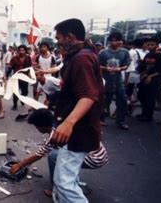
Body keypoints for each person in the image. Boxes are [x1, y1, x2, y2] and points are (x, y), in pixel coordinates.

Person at [50, 18, 104, 203]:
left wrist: (68, 123)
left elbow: (88, 96)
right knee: (65, 180)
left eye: (59, 38)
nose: (57, 42)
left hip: (78, 130)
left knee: (64, 183)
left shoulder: (82, 59)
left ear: (70, 37)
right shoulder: (81, 56)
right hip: (79, 128)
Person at [10, 108, 108, 197]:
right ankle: (70, 178)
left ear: (42, 126)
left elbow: (39, 155)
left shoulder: (55, 135)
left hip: (94, 159)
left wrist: (20, 165)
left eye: (36, 126)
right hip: (100, 153)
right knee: (59, 152)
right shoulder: (62, 122)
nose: (36, 129)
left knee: (53, 156)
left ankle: (56, 189)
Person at [98, 32, 131, 129]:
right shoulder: (103, 53)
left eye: (116, 40)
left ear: (121, 41)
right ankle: (101, 119)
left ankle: (120, 121)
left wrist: (120, 69)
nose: (114, 42)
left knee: (122, 101)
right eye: (112, 40)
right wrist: (105, 68)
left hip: (118, 81)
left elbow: (126, 65)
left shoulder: (125, 52)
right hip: (106, 80)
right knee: (105, 101)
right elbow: (97, 65)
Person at [137, 37, 161, 122]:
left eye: (152, 44)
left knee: (149, 98)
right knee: (141, 96)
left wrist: (150, 77)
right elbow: (146, 66)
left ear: (156, 45)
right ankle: (143, 113)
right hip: (144, 78)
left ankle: (148, 116)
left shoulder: (160, 56)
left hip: (154, 80)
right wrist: (143, 71)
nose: (150, 46)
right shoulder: (148, 55)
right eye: (148, 44)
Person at [10, 45, 32, 118]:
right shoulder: (14, 58)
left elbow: (30, 67)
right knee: (15, 91)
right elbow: (11, 67)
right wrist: (7, 76)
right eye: (20, 50)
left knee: (25, 91)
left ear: (25, 51)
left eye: (23, 50)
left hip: (25, 77)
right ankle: (15, 104)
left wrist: (30, 76)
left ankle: (22, 100)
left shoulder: (28, 58)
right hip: (16, 77)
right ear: (18, 51)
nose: (21, 52)